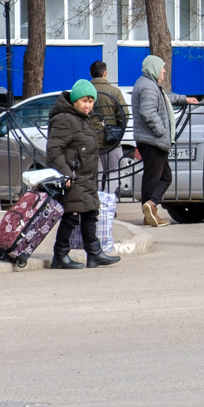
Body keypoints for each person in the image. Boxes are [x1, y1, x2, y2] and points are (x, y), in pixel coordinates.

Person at [45, 78, 121, 269]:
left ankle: (94, 253)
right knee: (71, 216)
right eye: (84, 101)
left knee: (90, 213)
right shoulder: (65, 119)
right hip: (74, 177)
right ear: (74, 101)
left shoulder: (83, 119)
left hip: (85, 177)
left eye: (91, 101)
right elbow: (54, 150)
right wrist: (66, 174)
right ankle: (60, 256)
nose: (88, 105)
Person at [130, 54, 174, 227]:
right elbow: (148, 112)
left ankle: (149, 210)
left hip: (150, 139)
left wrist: (185, 99)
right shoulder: (148, 86)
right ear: (154, 68)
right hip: (153, 140)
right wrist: (162, 131)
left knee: (158, 176)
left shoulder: (148, 84)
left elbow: (165, 98)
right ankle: (151, 207)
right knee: (158, 178)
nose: (164, 71)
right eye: (162, 68)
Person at [89, 59, 128, 226]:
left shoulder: (87, 91)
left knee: (96, 174)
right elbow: (123, 115)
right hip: (111, 139)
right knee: (113, 171)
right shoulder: (114, 91)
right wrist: (118, 131)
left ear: (91, 74)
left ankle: (96, 204)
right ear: (105, 73)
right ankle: (109, 203)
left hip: (91, 139)